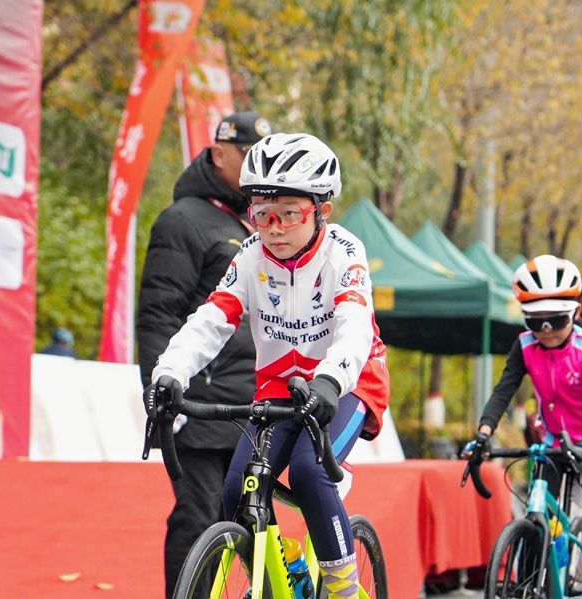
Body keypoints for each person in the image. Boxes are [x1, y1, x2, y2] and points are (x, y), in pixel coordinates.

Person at [144, 133, 390, 599]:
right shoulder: (251, 254)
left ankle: (342, 587)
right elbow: (212, 318)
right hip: (279, 387)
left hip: (348, 382)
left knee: (309, 473)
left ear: (322, 211)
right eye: (261, 214)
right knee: (237, 488)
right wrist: (169, 372)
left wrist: (331, 381)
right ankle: (278, 576)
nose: (273, 229)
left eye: (289, 214)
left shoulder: (344, 251)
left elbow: (355, 326)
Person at [136, 110, 274, 599]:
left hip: (256, 406)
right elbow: (158, 315)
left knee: (259, 530)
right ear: (218, 153)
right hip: (200, 407)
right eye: (249, 156)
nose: (259, 168)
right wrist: (161, 394)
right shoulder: (183, 221)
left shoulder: (260, 222)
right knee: (199, 522)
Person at [462, 255, 582, 599]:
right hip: (552, 443)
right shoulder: (525, 346)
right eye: (537, 321)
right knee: (536, 524)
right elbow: (503, 391)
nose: (547, 329)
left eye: (556, 319)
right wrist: (483, 435)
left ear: (575, 314)